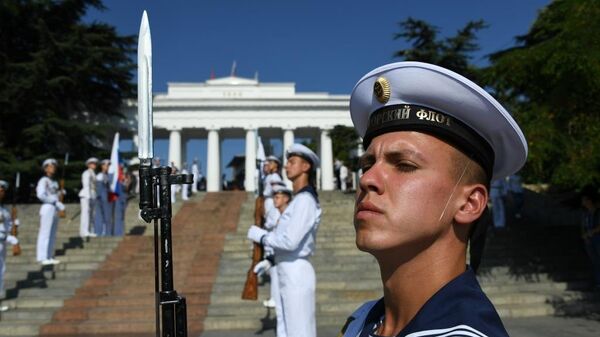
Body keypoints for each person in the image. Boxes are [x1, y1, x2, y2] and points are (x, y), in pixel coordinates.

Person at [338, 62, 527, 337]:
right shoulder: (363, 321)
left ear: (469, 203)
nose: (367, 180)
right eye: (367, 164)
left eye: (404, 165)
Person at [247, 143, 321, 337]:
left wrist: (261, 236)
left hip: (296, 270)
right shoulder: (298, 200)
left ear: (305, 167)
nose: (286, 166)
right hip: (284, 267)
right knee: (285, 328)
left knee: (299, 331)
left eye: (291, 162)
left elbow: (290, 241)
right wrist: (269, 260)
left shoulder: (305, 201)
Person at [254, 183, 293, 337]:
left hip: (289, 267)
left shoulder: (289, 216)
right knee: (281, 309)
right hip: (277, 263)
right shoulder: (281, 216)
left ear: (286, 198)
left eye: (277, 197)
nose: (274, 200)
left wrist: (261, 237)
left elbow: (286, 243)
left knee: (289, 309)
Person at [36, 158, 65, 265]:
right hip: (47, 207)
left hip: (55, 208)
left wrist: (60, 194)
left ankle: (49, 255)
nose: (53, 168)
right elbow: (41, 195)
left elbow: (54, 194)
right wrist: (54, 201)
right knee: (45, 232)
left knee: (52, 233)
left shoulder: (54, 182)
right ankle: (42, 256)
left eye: (54, 167)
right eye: (50, 167)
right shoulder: (43, 180)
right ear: (45, 169)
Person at [0, 180, 19, 311]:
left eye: (2, 190)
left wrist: (15, 223)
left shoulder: (4, 210)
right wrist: (11, 239)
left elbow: (7, 227)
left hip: (2, 243)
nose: (1, 192)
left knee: (1, 270)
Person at [581, 185, 600, 289]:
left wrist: (590, 232)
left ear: (589, 201)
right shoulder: (586, 214)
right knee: (594, 261)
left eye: (584, 200)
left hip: (597, 239)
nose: (582, 202)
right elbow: (584, 226)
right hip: (590, 240)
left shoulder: (597, 212)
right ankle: (597, 282)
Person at [78, 157, 98, 238]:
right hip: (86, 195)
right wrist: (88, 195)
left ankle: (90, 230)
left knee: (92, 214)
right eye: (92, 163)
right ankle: (84, 231)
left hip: (92, 195)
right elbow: (86, 185)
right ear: (88, 165)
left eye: (95, 163)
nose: (94, 165)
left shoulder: (93, 173)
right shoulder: (86, 173)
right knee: (85, 213)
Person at [94, 159, 112, 236]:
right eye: (105, 165)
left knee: (107, 217)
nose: (107, 167)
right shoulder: (99, 176)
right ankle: (98, 232)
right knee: (100, 216)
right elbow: (98, 189)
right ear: (102, 166)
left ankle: (106, 232)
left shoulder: (107, 176)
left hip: (106, 198)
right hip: (101, 199)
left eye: (108, 165)